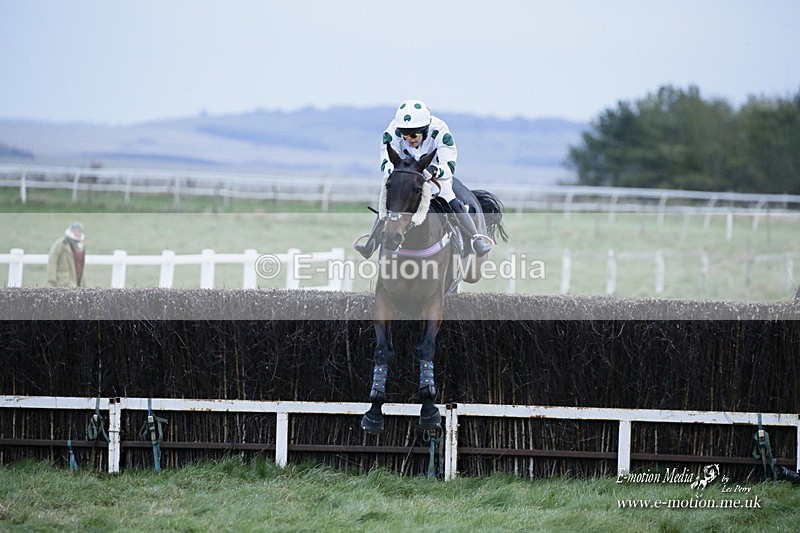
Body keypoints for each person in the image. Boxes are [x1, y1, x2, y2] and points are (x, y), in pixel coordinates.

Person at [354, 99, 493, 259]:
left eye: (414, 134)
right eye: (405, 135)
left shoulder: (441, 131)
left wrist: (434, 171)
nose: (409, 139)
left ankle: (475, 239)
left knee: (447, 194)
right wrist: (399, 174)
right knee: (391, 196)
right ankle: (371, 242)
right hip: (405, 171)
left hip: (434, 170)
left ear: (426, 130)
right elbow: (386, 163)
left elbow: (449, 166)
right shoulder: (391, 132)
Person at [47, 222, 87, 287]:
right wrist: (52, 279)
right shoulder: (61, 243)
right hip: (64, 281)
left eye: (79, 231)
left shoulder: (80, 246)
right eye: (75, 230)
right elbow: (53, 259)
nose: (77, 233)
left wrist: (84, 283)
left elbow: (81, 265)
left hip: (78, 282)